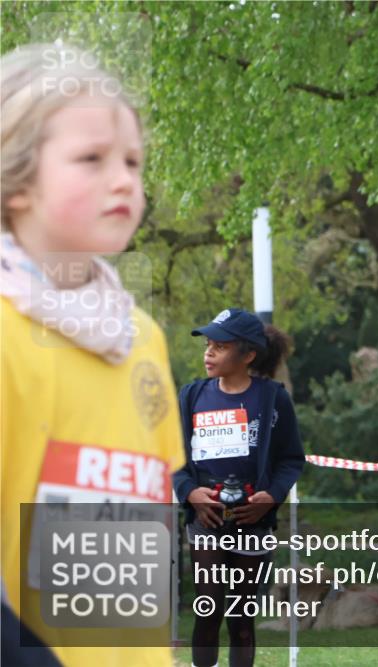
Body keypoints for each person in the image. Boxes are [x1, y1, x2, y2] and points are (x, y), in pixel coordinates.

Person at [0, 44, 184, 666]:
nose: (124, 179)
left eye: (133, 160)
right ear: (15, 180)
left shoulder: (144, 337)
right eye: (91, 159)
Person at [173, 308, 304, 667]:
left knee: (241, 620)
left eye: (220, 346)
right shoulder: (190, 396)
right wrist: (190, 492)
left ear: (248, 355)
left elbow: (292, 459)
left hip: (253, 521)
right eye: (208, 345)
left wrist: (271, 497)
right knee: (208, 611)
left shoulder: (272, 398)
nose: (209, 353)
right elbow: (171, 456)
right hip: (206, 520)